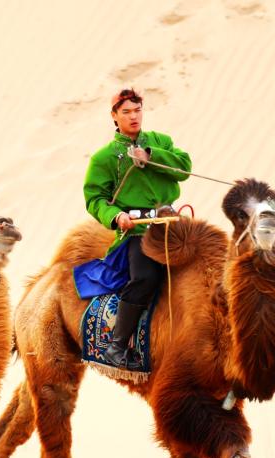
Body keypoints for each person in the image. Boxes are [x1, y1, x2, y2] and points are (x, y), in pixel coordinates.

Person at [82, 88, 191, 368]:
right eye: (126, 112)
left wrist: (151, 155)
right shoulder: (104, 158)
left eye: (137, 110)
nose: (134, 116)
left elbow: (184, 168)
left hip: (171, 224)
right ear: (114, 116)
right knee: (145, 278)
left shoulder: (160, 141)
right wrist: (116, 216)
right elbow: (94, 199)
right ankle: (116, 347)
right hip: (137, 232)